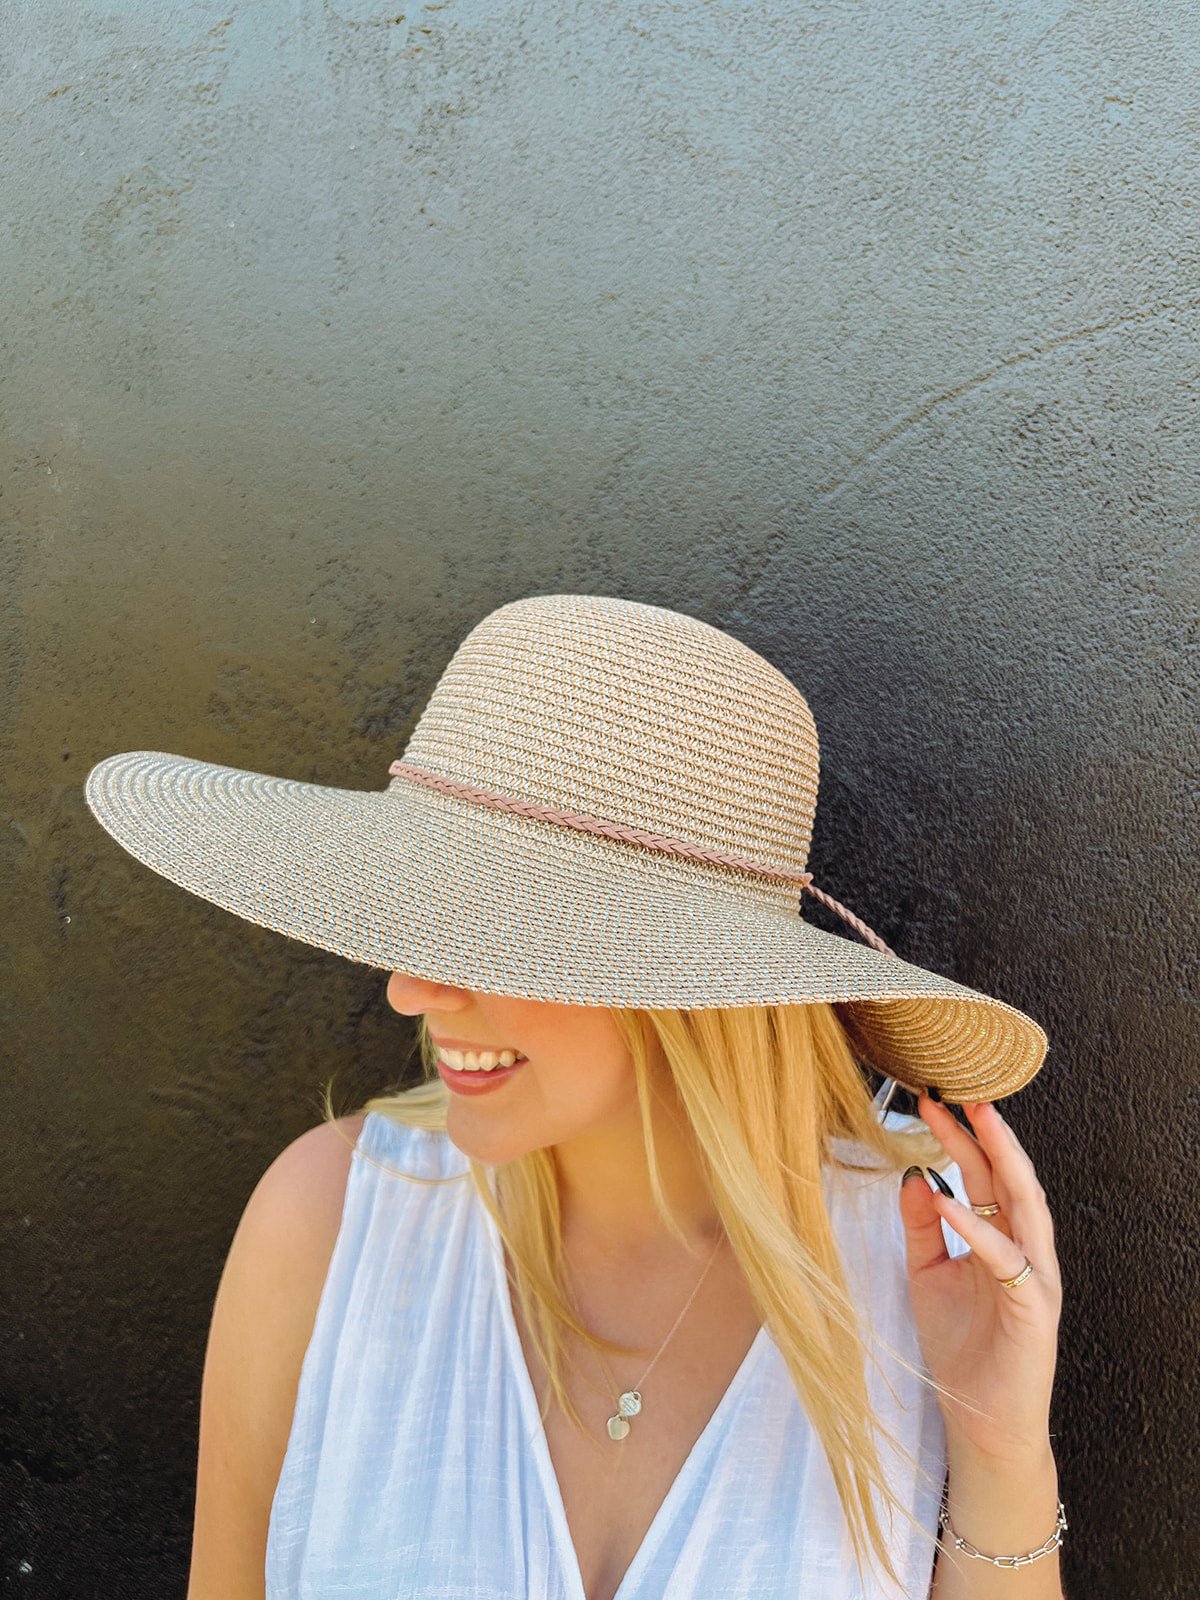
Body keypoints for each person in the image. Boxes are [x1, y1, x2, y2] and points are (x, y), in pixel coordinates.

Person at [83, 593, 1066, 1600]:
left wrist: (1002, 1455)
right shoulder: (329, 1223)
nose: (410, 988)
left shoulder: (927, 1261)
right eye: (421, 915)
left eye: (489, 932)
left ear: (688, 989)